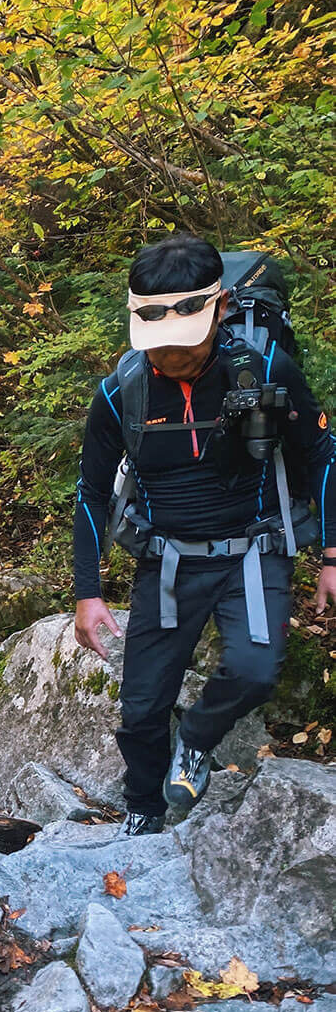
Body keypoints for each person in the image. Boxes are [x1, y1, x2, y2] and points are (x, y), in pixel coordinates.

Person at [74, 233, 336, 835]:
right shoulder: (122, 391)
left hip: (252, 549)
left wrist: (330, 551)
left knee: (253, 671)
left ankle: (196, 738)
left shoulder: (264, 367)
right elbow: (90, 492)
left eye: (184, 347)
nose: (170, 359)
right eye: (159, 348)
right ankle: (142, 808)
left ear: (220, 311)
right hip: (166, 562)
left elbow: (321, 452)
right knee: (140, 708)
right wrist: (88, 593)